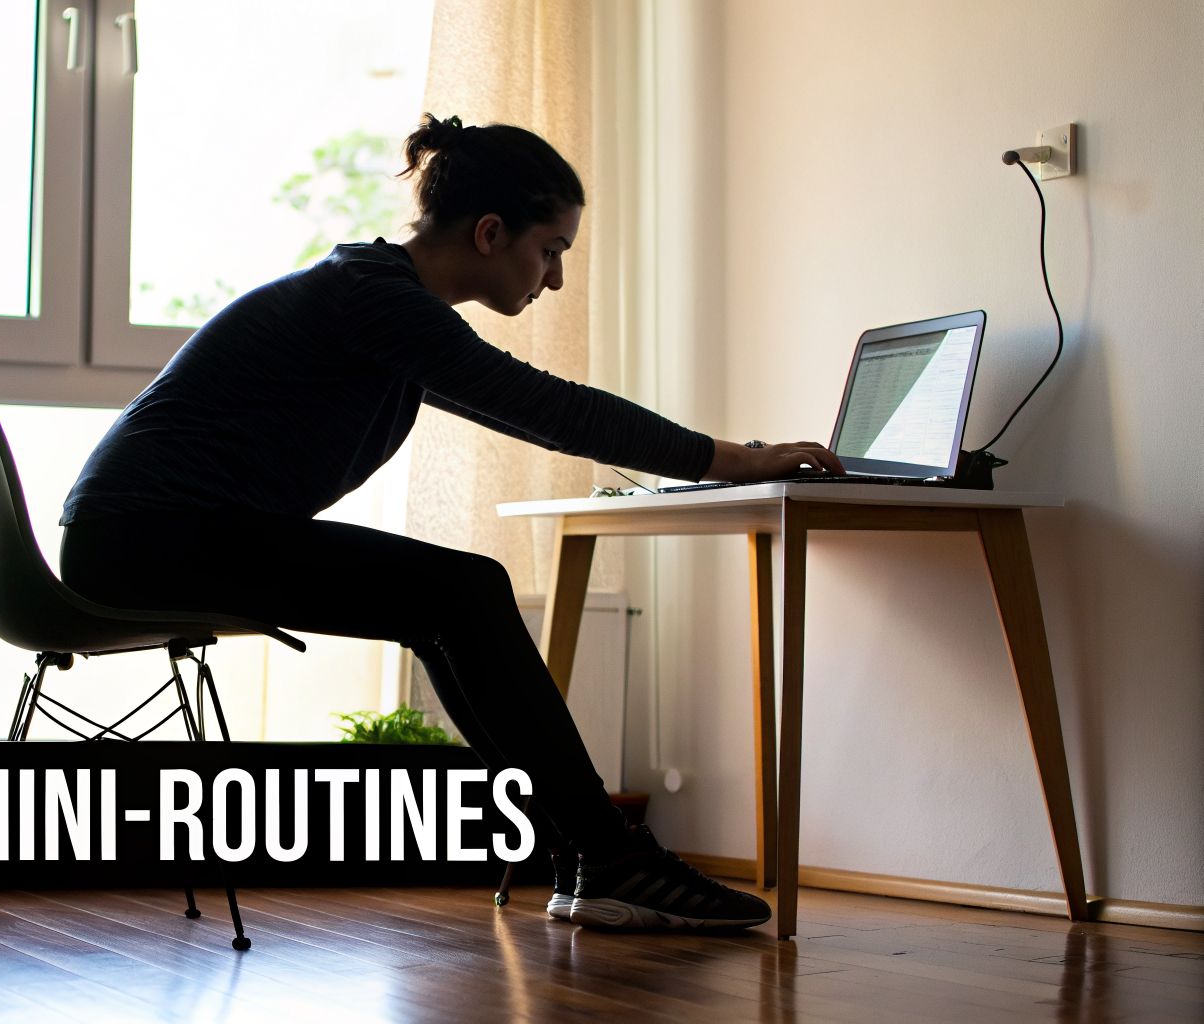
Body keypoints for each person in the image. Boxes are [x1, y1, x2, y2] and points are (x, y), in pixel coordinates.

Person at [58, 113, 842, 931]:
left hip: (151, 533)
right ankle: (606, 855)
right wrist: (739, 458)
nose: (556, 279)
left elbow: (542, 409)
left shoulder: (379, 299)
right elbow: (553, 410)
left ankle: (586, 852)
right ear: (490, 232)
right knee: (461, 593)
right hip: (146, 537)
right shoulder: (378, 302)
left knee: (450, 602)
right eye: (552, 251)